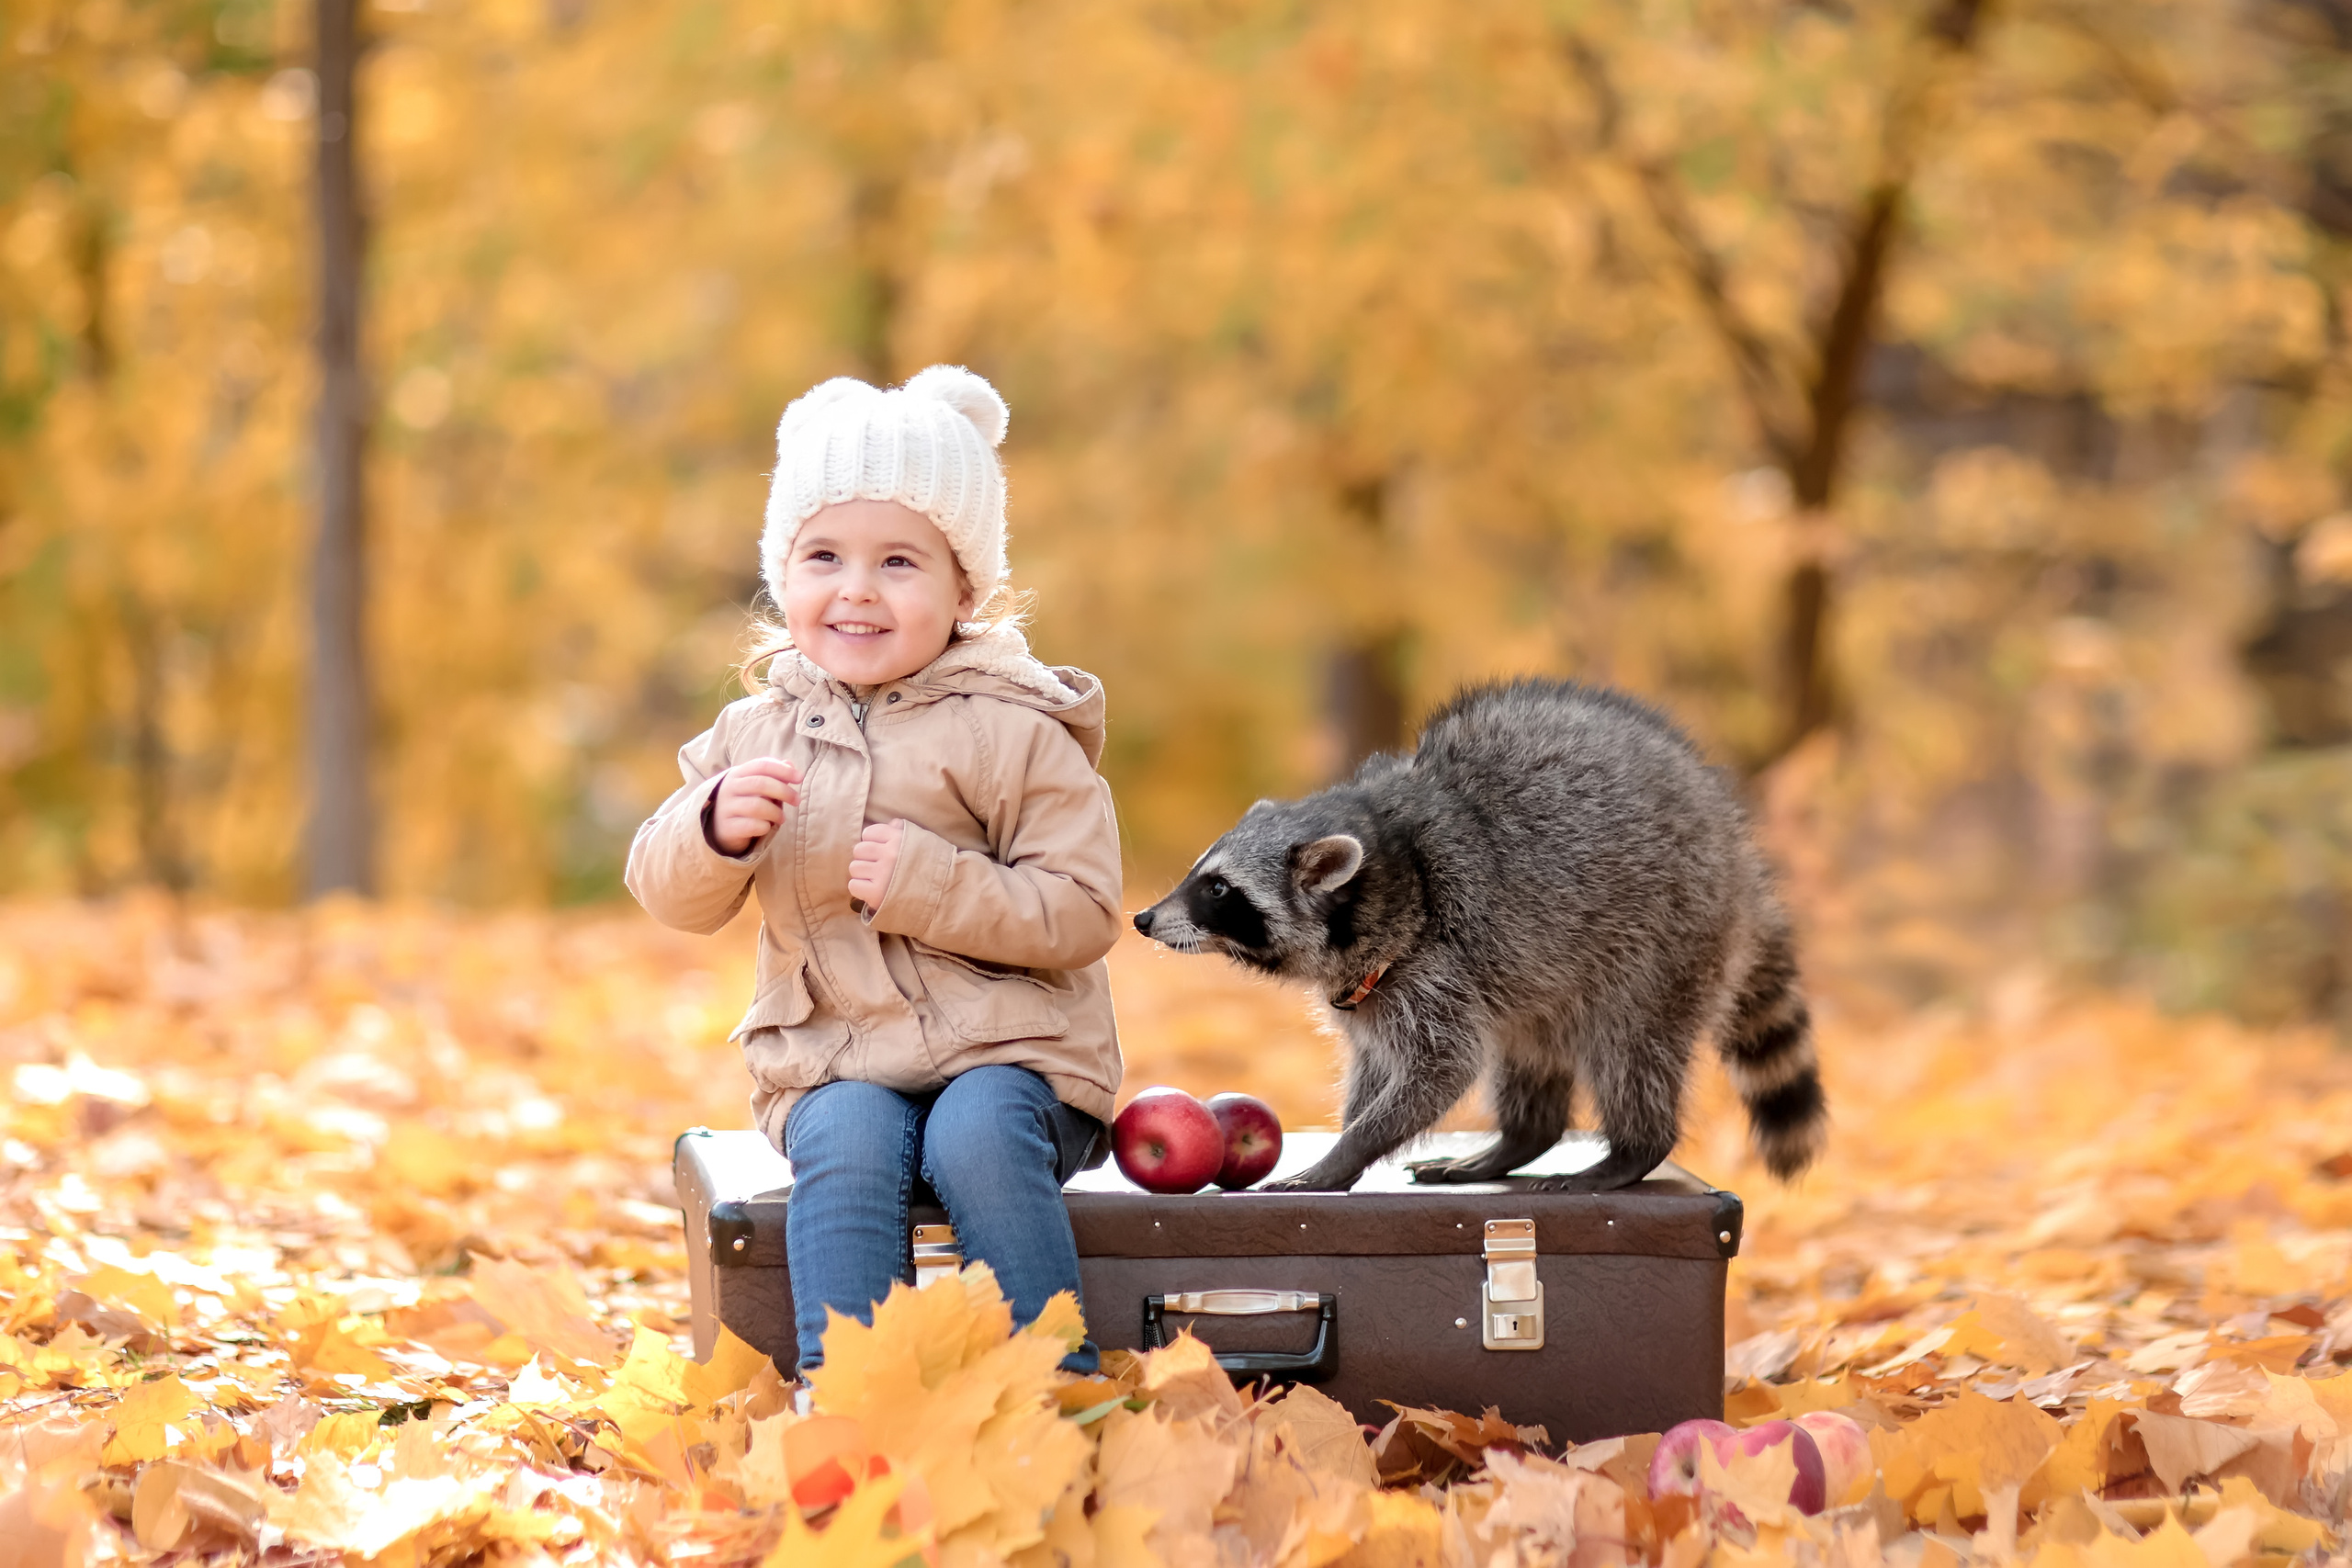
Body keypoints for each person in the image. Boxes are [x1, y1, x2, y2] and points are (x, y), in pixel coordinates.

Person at [626, 366, 1123, 1373]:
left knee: (975, 1134)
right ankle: (847, 1396)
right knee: (846, 1141)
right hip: (836, 1053)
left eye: (898, 561)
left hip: (1014, 1055)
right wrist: (713, 828)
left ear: (963, 588)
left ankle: (1055, 1388)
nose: (854, 588)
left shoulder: (1016, 731)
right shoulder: (755, 731)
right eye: (822, 556)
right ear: (784, 573)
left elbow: (1082, 911)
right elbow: (665, 892)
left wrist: (933, 885)